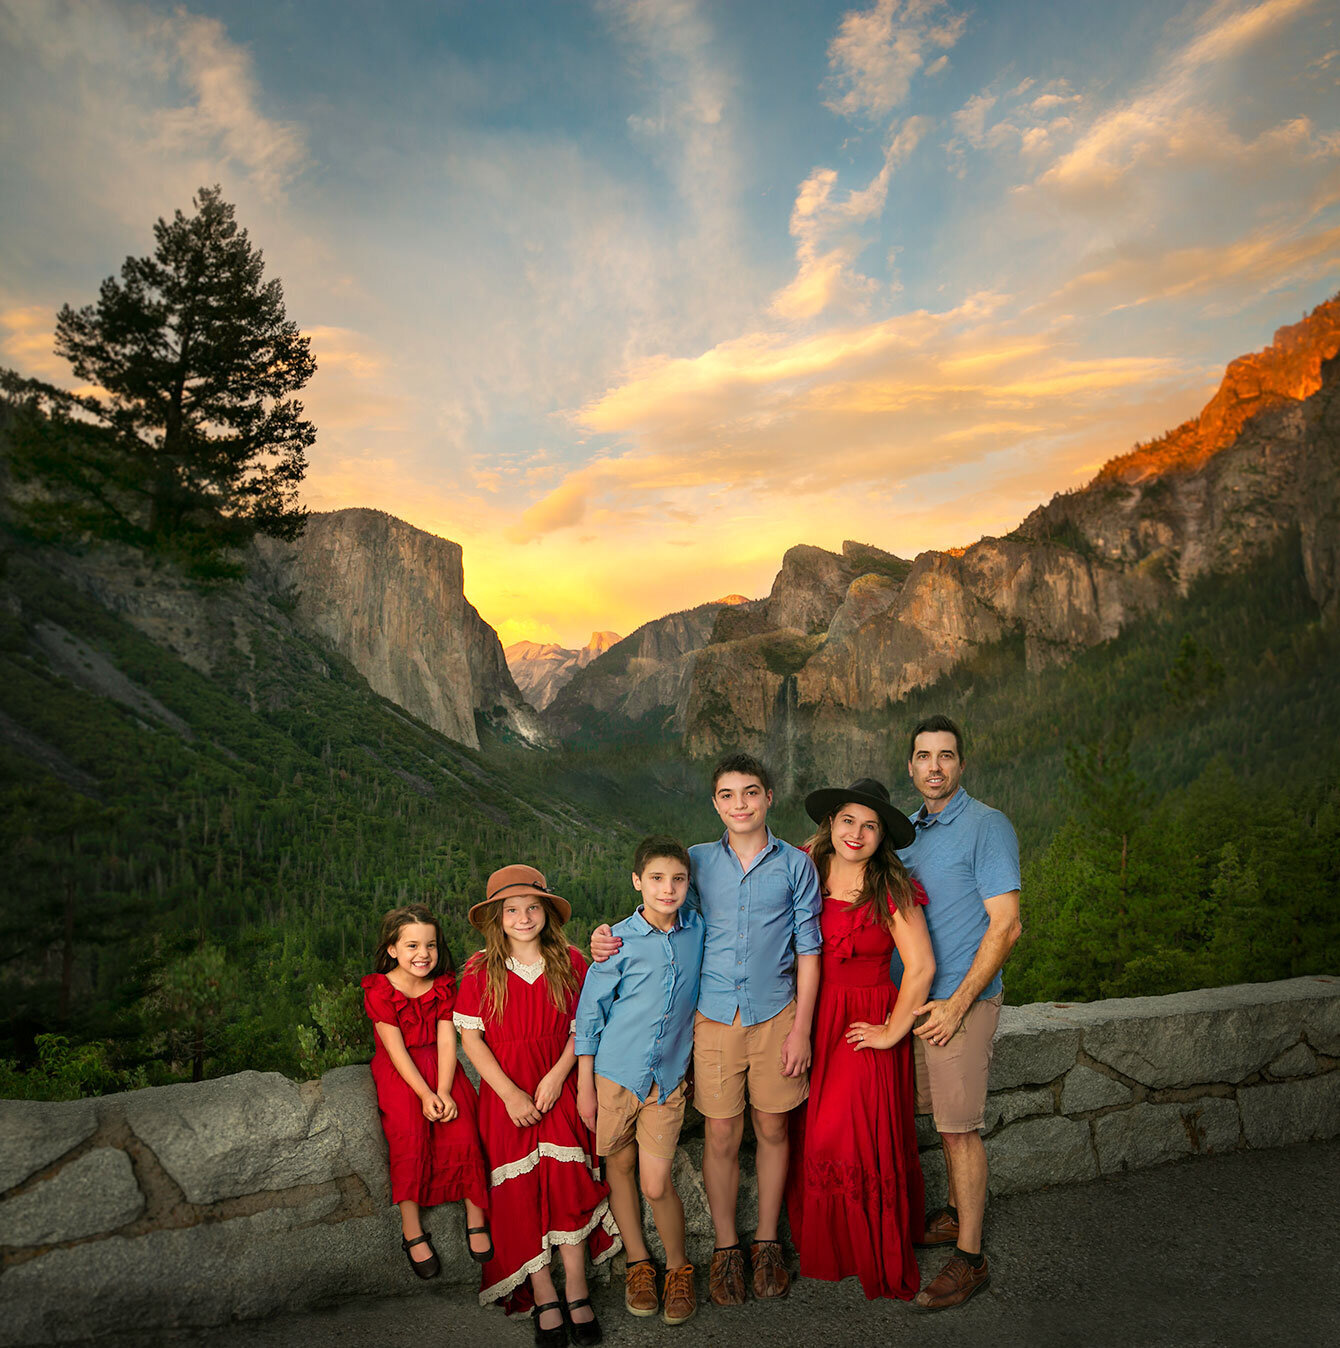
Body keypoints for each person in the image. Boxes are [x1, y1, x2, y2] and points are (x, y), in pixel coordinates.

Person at [591, 752, 822, 1307]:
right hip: (714, 1020)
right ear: (715, 803)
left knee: (771, 1128)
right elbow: (660, 913)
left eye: (750, 792)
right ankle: (725, 1248)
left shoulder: (796, 865)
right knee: (721, 1134)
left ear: (769, 796)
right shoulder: (696, 862)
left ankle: (766, 1241)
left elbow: (809, 952)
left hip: (777, 1016)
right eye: (727, 795)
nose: (739, 804)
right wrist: (607, 938)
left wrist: (803, 1030)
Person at [454, 865, 621, 1347]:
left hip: (559, 1085)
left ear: (546, 913)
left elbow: (581, 1029)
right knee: (520, 1191)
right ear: (496, 918)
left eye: (533, 908)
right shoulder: (478, 970)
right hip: (506, 1097)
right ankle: (543, 1290)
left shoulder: (570, 962)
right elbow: (473, 1041)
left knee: (567, 1182)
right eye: (511, 910)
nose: (523, 918)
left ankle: (576, 1287)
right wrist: (509, 1093)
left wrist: (555, 1077)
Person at [786, 778, 936, 1302]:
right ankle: (834, 1247)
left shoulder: (890, 887)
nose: (857, 833)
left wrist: (893, 1030)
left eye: (870, 825)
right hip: (812, 1015)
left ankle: (867, 1246)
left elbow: (921, 967)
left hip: (863, 1019)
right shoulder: (805, 868)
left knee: (843, 1134)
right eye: (848, 820)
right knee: (812, 1130)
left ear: (882, 836)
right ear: (831, 823)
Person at [900, 714, 1023, 1312]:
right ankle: (952, 1215)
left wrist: (957, 1004)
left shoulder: (986, 826)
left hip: (962, 1003)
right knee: (939, 1122)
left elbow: (1006, 925)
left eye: (946, 756)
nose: (935, 767)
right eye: (924, 756)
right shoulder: (907, 833)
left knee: (957, 1128)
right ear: (911, 766)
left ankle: (970, 1260)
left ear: (961, 765)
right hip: (917, 1005)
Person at [574, 836, 705, 1327]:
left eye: (677, 879)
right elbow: (589, 1017)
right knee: (620, 1169)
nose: (667, 889)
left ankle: (677, 1268)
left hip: (667, 1080)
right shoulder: (618, 942)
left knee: (655, 1180)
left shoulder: (699, 932)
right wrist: (586, 1086)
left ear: (689, 884)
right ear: (637, 882)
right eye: (656, 879)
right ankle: (638, 1263)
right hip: (614, 1077)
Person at [361, 903, 490, 1280]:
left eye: (430, 945)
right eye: (412, 946)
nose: (423, 955)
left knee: (464, 1124)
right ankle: (411, 1226)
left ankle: (476, 1212)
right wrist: (424, 1094)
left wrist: (445, 1090)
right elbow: (394, 1048)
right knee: (409, 1135)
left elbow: (448, 1040)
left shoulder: (445, 986)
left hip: (441, 1065)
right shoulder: (380, 989)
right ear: (392, 950)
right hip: (402, 1072)